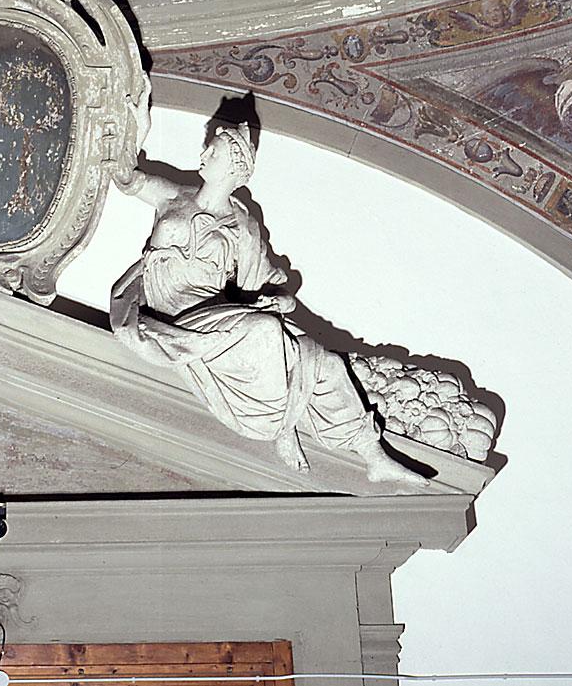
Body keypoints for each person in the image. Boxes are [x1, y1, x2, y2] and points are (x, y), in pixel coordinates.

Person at [109, 121, 423, 484]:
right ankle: (283, 427)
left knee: (328, 364)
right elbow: (128, 179)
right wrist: (134, 128)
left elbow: (273, 285)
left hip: (216, 317)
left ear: (234, 168)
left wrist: (284, 303)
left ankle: (374, 456)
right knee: (263, 330)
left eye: (214, 151)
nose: (204, 154)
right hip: (173, 318)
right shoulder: (173, 196)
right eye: (207, 148)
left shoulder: (243, 228)